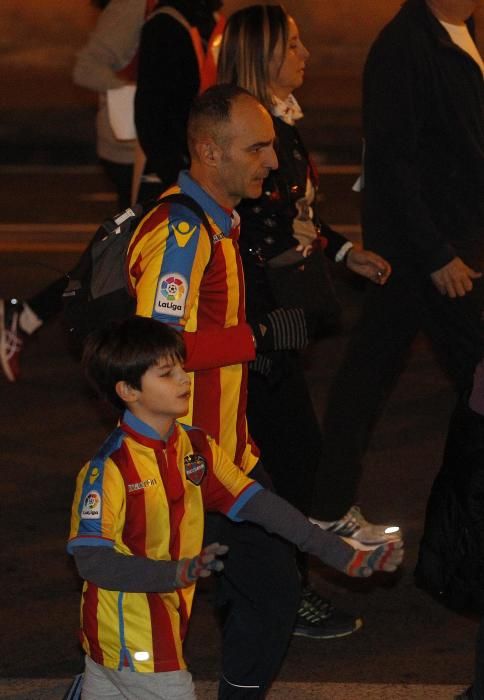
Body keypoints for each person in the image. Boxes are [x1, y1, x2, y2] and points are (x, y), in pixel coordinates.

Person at [68, 316, 404, 699]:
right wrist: (177, 572)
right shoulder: (108, 470)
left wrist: (341, 554)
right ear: (128, 390)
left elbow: (263, 506)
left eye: (181, 365)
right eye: (166, 373)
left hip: (143, 636)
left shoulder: (195, 448)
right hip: (133, 641)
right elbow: (92, 562)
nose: (184, 378)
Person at [217, 4, 398, 639]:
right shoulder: (249, 129)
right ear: (263, 54)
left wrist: (343, 251)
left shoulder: (277, 126)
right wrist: (281, 255)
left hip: (276, 320)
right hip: (257, 326)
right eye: (293, 44)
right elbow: (241, 226)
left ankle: (271, 586)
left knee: (281, 461)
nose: (306, 55)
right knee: (284, 464)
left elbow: (292, 214)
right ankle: (278, 594)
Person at [309, 0, 484, 530]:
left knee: (369, 374)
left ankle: (325, 506)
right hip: (428, 255)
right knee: (375, 376)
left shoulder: (459, 33)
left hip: (450, 248)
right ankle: (326, 509)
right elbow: (391, 160)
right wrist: (436, 254)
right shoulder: (404, 47)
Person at [0, 0, 224, 383]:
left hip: (161, 156)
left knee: (121, 257)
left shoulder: (197, 15)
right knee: (117, 258)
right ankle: (125, 360)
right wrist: (140, 89)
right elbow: (87, 68)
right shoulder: (138, 9)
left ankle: (32, 318)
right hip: (135, 154)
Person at [134, 0, 225, 200]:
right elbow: (151, 114)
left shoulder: (216, 22)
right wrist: (176, 174)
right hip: (179, 167)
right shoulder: (163, 27)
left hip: (211, 159)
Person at [73, 0, 158, 211]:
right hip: (130, 147)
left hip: (144, 145)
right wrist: (144, 93)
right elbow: (86, 69)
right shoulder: (132, 7)